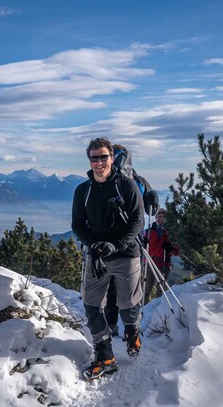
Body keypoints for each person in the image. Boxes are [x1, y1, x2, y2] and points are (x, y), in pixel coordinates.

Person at [72, 137, 144, 379]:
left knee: (127, 303)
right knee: (91, 304)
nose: (99, 162)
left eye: (103, 157)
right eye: (94, 157)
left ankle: (132, 331)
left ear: (112, 158)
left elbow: (137, 221)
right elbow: (78, 224)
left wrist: (116, 245)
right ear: (89, 160)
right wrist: (94, 246)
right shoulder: (83, 190)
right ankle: (105, 356)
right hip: (97, 256)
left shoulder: (126, 185)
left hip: (125, 253)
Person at [143, 208, 180, 303]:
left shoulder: (170, 232)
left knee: (161, 290)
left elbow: (177, 251)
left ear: (165, 218)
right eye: (156, 217)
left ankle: (158, 310)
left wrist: (170, 249)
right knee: (146, 289)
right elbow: (144, 246)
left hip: (163, 263)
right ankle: (144, 309)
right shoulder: (149, 231)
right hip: (150, 263)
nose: (158, 219)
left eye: (160, 217)